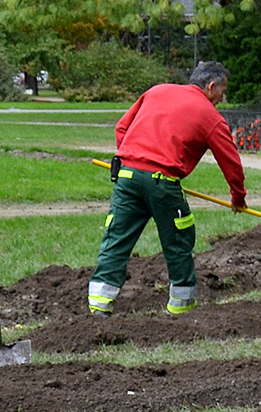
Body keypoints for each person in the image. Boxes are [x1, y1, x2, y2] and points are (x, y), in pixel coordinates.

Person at [88, 61, 248, 317]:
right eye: (222, 91)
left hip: (126, 177)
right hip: (162, 184)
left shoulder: (157, 91)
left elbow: (122, 128)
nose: (222, 98)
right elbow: (230, 161)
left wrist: (133, 159)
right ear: (210, 86)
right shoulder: (210, 116)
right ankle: (181, 308)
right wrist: (238, 197)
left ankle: (98, 304)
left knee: (116, 238)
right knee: (177, 240)